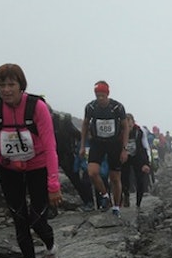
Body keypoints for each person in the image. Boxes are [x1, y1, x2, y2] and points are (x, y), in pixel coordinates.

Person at [0, 63, 62, 258]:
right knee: (19, 218)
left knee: (37, 219)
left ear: (21, 85)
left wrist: (53, 184)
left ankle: (51, 248)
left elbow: (50, 145)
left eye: (11, 84)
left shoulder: (37, 107)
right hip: (8, 168)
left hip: (37, 167)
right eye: (1, 85)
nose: (6, 90)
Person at [80, 80, 129, 216]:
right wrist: (82, 145)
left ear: (107, 94)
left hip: (114, 143)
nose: (100, 98)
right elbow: (85, 125)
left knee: (115, 178)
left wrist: (124, 149)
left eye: (103, 95)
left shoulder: (117, 107)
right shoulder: (91, 107)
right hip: (97, 143)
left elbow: (125, 127)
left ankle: (116, 207)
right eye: (98, 95)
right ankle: (105, 196)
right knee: (92, 172)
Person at [51, 109, 94, 209]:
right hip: (51, 155)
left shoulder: (62, 122)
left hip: (65, 155)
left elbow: (78, 135)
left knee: (76, 180)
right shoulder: (38, 121)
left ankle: (89, 201)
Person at [119, 113, 153, 209]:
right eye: (126, 123)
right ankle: (126, 195)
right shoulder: (120, 131)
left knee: (140, 180)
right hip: (125, 157)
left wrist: (147, 163)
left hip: (138, 157)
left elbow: (146, 146)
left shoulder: (140, 131)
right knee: (124, 178)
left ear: (133, 123)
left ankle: (138, 203)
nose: (128, 126)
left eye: (130, 123)